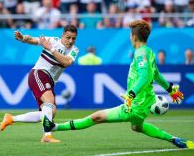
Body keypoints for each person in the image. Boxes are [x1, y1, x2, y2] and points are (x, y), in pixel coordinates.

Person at [42, 20, 194, 149]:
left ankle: (54, 127)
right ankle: (174, 139)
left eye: (130, 34)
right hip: (145, 102)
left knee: (96, 117)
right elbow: (156, 74)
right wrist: (169, 89)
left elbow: (144, 76)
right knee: (137, 127)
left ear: (133, 36)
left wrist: (131, 94)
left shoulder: (140, 53)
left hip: (136, 105)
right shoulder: (149, 52)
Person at [0, 24, 79, 143]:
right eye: (68, 37)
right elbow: (32, 39)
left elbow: (66, 62)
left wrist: (50, 49)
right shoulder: (53, 40)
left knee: (49, 113)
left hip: (50, 81)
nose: (70, 41)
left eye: (73, 38)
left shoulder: (74, 50)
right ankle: (47, 135)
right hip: (39, 73)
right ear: (62, 35)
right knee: (49, 101)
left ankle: (11, 118)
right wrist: (23, 38)